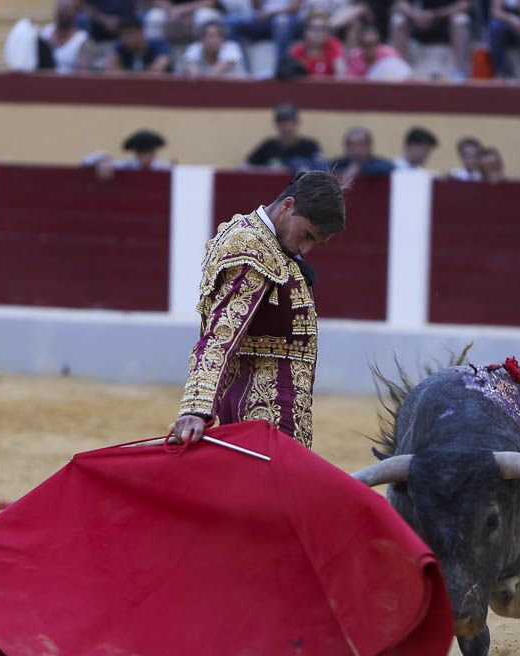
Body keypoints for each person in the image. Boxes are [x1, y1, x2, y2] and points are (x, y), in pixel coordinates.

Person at [169, 170, 346, 451]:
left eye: (315, 242)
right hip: (259, 414)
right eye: (306, 235)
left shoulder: (263, 240)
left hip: (264, 410)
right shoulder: (253, 249)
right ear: (287, 206)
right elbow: (221, 332)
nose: (306, 248)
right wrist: (196, 407)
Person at [391, 0, 471, 79]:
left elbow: (464, 5)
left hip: (445, 22)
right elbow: (400, 4)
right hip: (419, 22)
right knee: (398, 19)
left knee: (460, 19)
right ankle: (403, 71)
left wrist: (435, 14)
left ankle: (459, 71)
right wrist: (415, 15)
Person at [244, 103, 328, 172]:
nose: (286, 128)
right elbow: (244, 166)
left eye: (290, 123)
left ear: (297, 123)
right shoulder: (269, 146)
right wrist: (269, 170)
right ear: (276, 125)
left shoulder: (310, 145)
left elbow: (322, 168)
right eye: (282, 123)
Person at [41, 0, 94, 74]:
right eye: (61, 7)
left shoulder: (82, 40)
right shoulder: (45, 32)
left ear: (76, 13)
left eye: (67, 9)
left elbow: (83, 74)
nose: (63, 11)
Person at [106, 14, 172, 71]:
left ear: (141, 32)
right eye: (123, 35)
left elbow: (159, 68)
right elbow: (110, 70)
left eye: (130, 33)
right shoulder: (120, 45)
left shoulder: (159, 45)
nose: (126, 38)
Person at [182, 18, 247, 76]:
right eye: (211, 36)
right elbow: (192, 72)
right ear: (202, 39)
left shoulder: (231, 47)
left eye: (219, 36)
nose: (216, 40)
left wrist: (198, 79)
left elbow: (213, 75)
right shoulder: (195, 48)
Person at [288, 10, 346, 75]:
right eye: (314, 29)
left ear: (327, 33)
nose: (317, 33)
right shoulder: (297, 51)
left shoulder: (333, 45)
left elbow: (340, 73)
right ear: (305, 32)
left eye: (322, 29)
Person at [344, 22, 411, 78]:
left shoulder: (390, 55)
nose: (369, 48)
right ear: (360, 45)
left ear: (378, 44)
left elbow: (405, 76)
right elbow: (349, 82)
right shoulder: (354, 58)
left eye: (372, 44)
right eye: (365, 44)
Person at [329, 126, 394, 180]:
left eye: (361, 145)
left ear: (369, 146)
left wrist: (360, 169)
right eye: (351, 145)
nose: (357, 150)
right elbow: (324, 169)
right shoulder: (339, 163)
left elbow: (390, 167)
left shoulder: (379, 163)